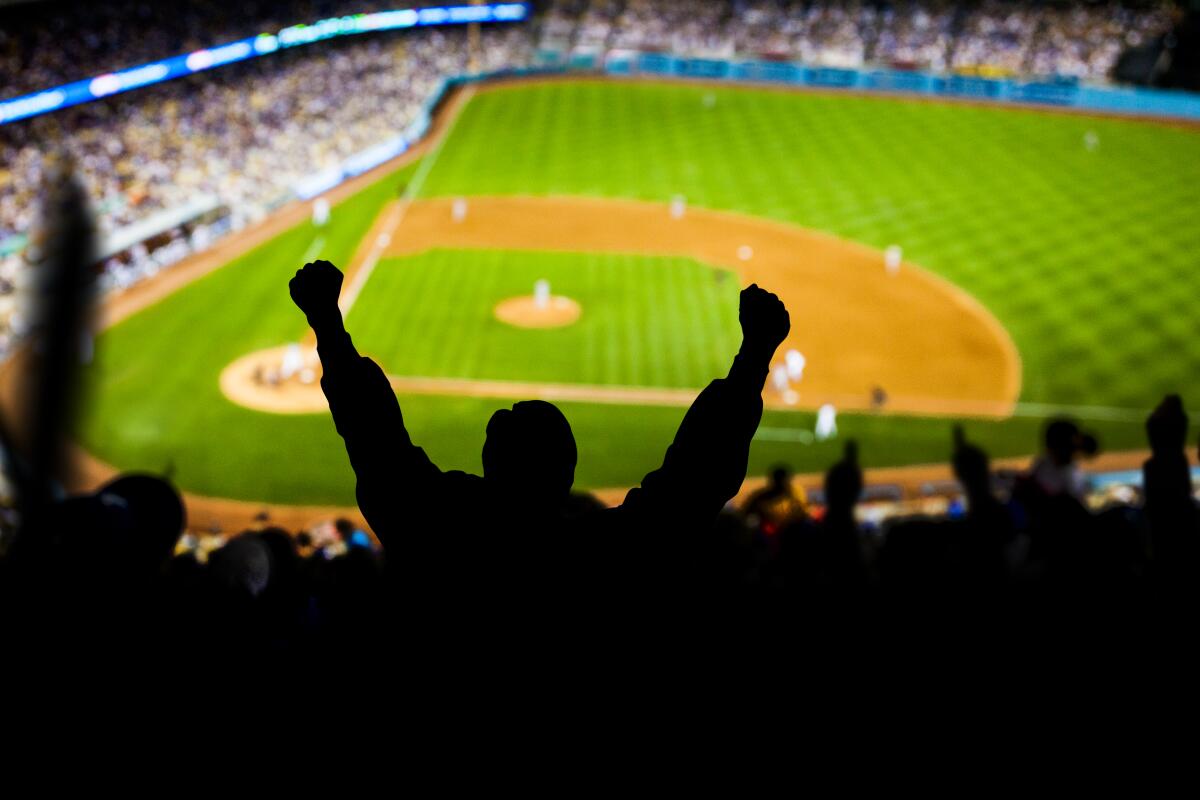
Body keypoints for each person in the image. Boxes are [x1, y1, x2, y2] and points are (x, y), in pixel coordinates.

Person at [289, 259, 791, 631]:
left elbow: (375, 442)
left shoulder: (433, 529)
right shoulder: (604, 556)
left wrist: (327, 323)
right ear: (569, 473)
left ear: (487, 464)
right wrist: (753, 357)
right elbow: (690, 490)